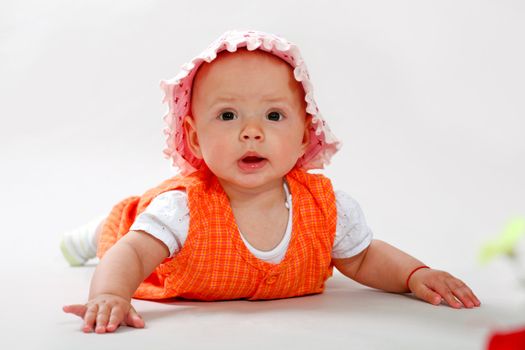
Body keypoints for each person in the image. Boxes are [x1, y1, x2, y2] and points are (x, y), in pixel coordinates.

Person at [61, 30, 481, 334]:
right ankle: (91, 232)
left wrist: (414, 275)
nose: (251, 132)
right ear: (193, 137)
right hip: (142, 232)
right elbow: (132, 255)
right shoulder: (180, 210)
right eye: (228, 115)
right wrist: (112, 294)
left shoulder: (324, 208)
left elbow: (364, 257)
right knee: (117, 232)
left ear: (303, 136)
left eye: (274, 116)